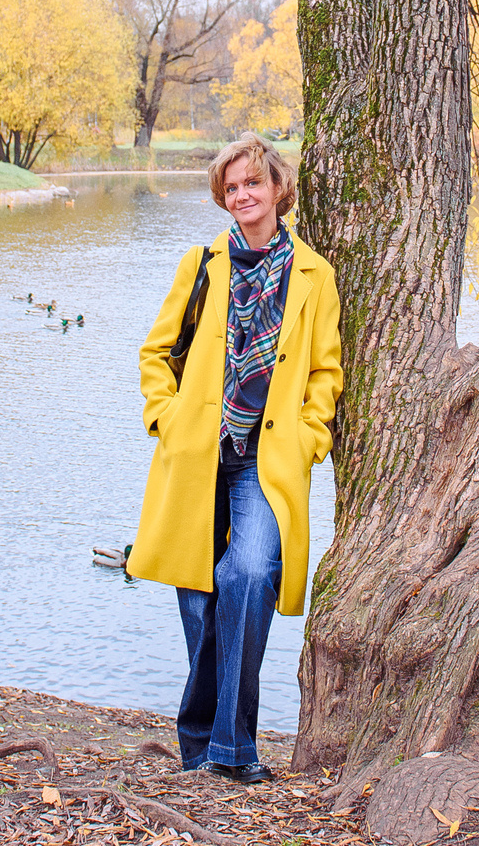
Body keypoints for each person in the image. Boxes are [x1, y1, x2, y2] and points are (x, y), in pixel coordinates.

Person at [128, 134, 342, 784]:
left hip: (264, 460)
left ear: (278, 188)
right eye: (232, 187)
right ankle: (211, 747)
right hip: (196, 452)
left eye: (253, 182)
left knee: (248, 575)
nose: (243, 194)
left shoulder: (315, 275)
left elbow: (325, 373)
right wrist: (165, 418)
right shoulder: (201, 264)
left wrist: (309, 438)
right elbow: (156, 352)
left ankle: (224, 742)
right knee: (199, 594)